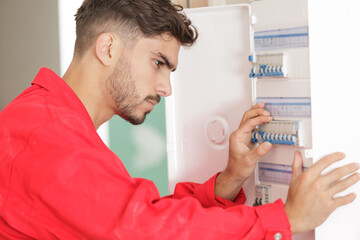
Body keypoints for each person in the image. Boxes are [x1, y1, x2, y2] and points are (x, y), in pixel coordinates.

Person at [0, 0, 359, 239]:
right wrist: (288, 219)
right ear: (107, 48)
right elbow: (144, 229)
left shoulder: (51, 121)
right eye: (159, 63)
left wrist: (229, 181)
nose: (166, 88)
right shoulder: (46, 135)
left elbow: (133, 216)